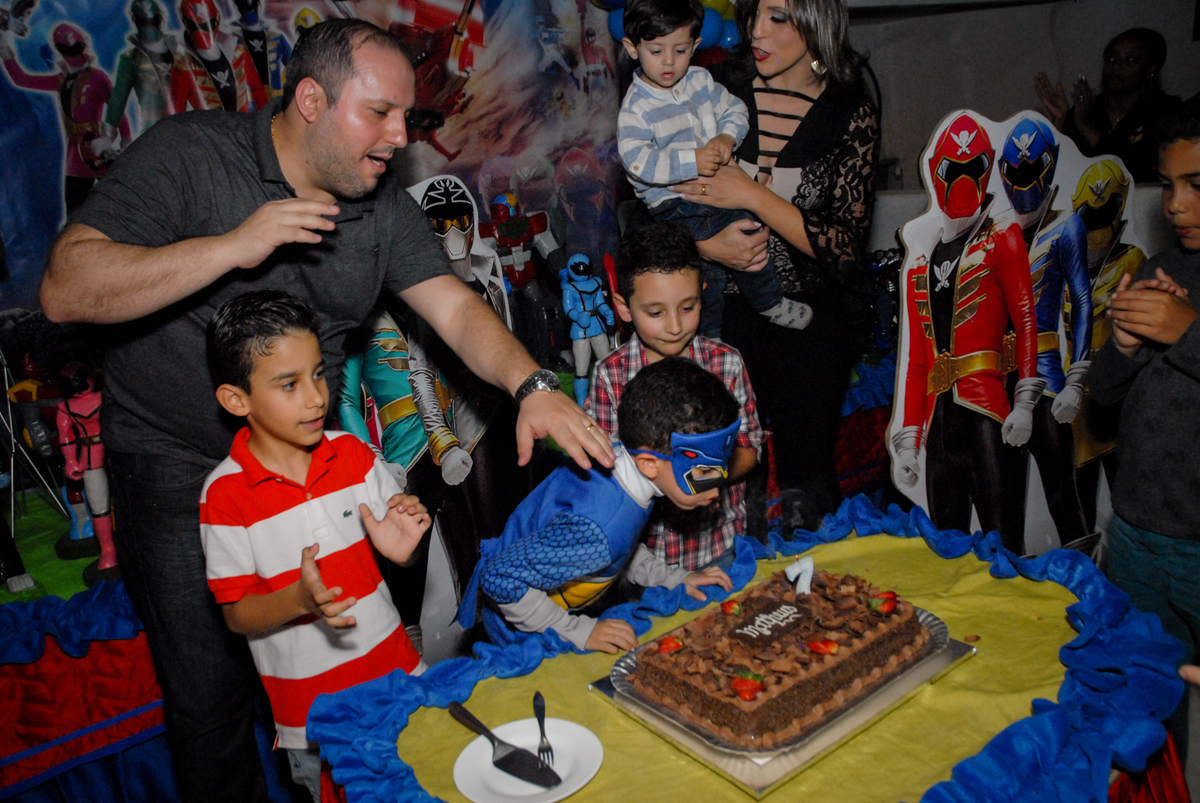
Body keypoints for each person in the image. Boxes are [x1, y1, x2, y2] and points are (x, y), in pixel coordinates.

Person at [39, 19, 612, 802]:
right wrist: (231, 247)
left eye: (405, 116)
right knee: (209, 696)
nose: (399, 136)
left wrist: (532, 384)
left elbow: (452, 308)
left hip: (318, 469)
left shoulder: (377, 205)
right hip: (177, 467)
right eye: (379, 113)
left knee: (353, 670)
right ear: (311, 100)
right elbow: (66, 286)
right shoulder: (191, 155)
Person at [200, 291, 431, 800]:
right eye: (290, 384)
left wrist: (405, 551)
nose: (316, 398)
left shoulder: (352, 453)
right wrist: (298, 600)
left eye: (319, 374)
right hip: (313, 717)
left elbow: (400, 546)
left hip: (397, 676)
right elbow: (236, 614)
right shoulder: (225, 495)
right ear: (236, 400)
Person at [667, 0, 879, 533]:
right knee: (731, 481)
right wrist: (708, 247)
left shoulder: (849, 108)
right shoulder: (712, 86)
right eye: (755, 13)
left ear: (817, 23)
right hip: (721, 316)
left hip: (812, 321)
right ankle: (741, 582)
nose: (757, 31)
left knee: (808, 485)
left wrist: (752, 195)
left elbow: (846, 250)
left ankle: (816, 584)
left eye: (778, 17)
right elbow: (648, 202)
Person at [459, 357, 736, 653]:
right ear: (649, 463)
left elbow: (618, 550)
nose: (717, 491)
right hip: (524, 638)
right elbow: (500, 577)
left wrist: (674, 579)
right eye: (705, 473)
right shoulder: (600, 525)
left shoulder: (622, 467)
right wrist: (578, 631)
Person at [1087, 97, 1200, 752]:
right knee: (1148, 697)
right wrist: (1125, 345)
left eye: (1197, 185)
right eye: (1168, 184)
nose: (1177, 205)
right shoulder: (1161, 269)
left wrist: (1187, 332)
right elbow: (1102, 395)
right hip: (1136, 531)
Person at [617, 0, 810, 338]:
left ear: (695, 46)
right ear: (633, 48)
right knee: (703, 274)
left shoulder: (701, 80)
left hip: (717, 191)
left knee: (749, 234)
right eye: (656, 51)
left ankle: (769, 302)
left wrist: (726, 137)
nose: (668, 61)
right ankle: (708, 335)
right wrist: (692, 161)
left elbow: (735, 110)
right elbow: (637, 161)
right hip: (673, 204)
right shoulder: (636, 106)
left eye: (680, 50)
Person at [586, 222, 763, 572]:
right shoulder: (610, 375)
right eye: (655, 312)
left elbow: (750, 446)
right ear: (623, 307)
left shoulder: (725, 363)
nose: (675, 326)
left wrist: (706, 476)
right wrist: (666, 482)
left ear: (702, 294)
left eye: (687, 307)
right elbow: (602, 465)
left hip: (718, 547)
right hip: (641, 557)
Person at [1035, 28, 1183, 183]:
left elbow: (1138, 172)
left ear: (1150, 68)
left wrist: (1087, 128)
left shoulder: (1165, 110)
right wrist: (1059, 121)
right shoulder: (1088, 108)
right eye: (1111, 59)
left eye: (1130, 60)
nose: (1117, 66)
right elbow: (1047, 172)